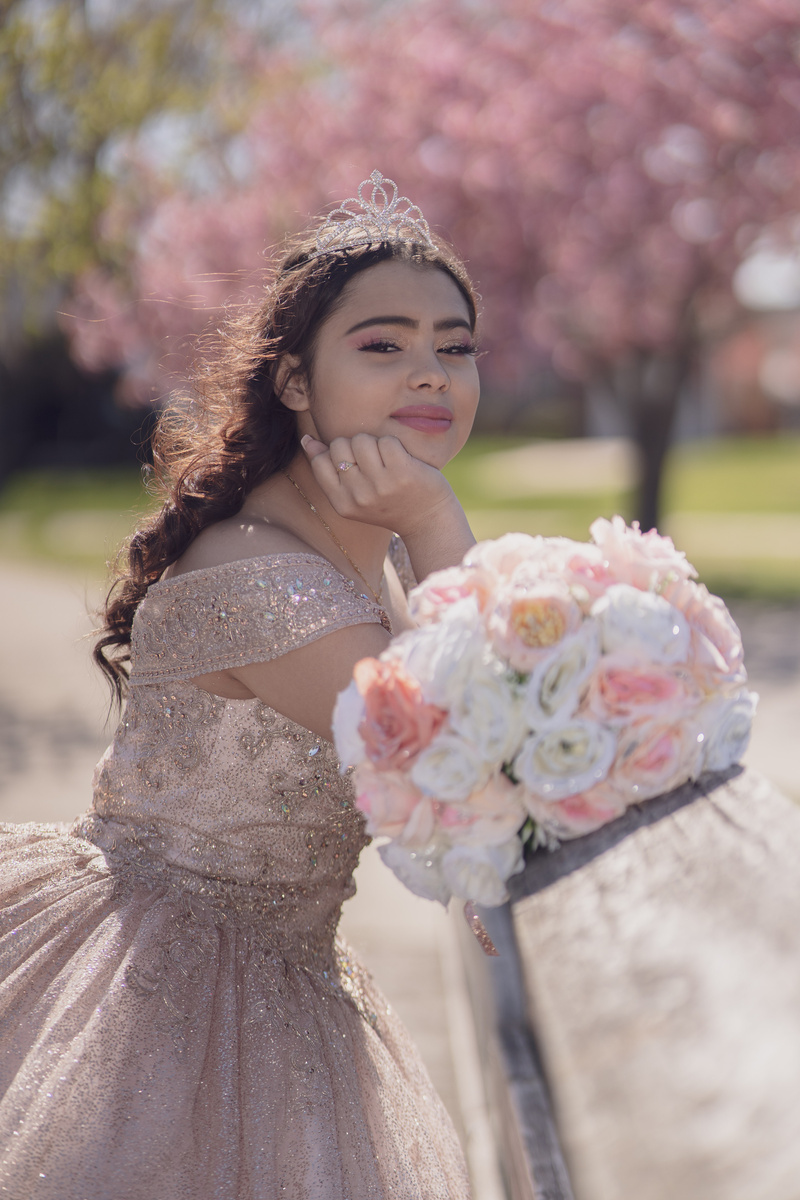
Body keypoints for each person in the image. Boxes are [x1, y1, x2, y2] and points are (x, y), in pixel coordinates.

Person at [0, 172, 480, 1199]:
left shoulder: (342, 536)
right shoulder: (268, 582)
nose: (431, 374)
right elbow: (459, 763)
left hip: (279, 967)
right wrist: (440, 526)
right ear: (295, 382)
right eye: (384, 344)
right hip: (177, 1004)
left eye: (455, 345)